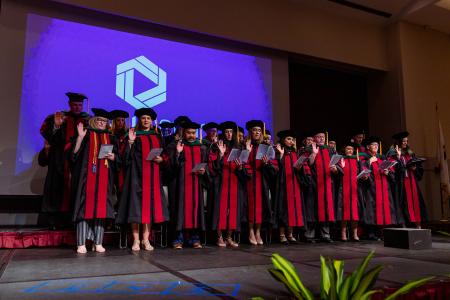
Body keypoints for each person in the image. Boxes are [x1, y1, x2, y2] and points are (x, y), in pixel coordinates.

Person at [117, 108, 169, 251]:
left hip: (152, 177)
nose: (146, 120)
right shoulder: (133, 134)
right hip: (135, 176)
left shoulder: (157, 136)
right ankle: (136, 240)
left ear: (152, 121)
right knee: (136, 208)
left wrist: (161, 160)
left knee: (149, 209)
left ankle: (146, 239)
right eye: (143, 118)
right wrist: (130, 143)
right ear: (139, 120)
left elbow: (165, 155)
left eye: (148, 118)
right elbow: (124, 157)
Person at [70, 108, 118, 253]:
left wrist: (113, 157)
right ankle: (81, 243)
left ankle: (98, 242)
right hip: (86, 180)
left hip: (104, 181)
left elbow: (119, 159)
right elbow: (73, 155)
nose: (102, 123)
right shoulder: (86, 134)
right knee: (83, 210)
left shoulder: (111, 138)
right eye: (99, 120)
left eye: (104, 121)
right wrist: (79, 138)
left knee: (101, 210)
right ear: (94, 121)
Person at [39, 92, 90, 228]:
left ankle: (74, 221)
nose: (77, 107)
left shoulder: (87, 120)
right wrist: (56, 126)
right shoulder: (60, 118)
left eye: (79, 105)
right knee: (57, 189)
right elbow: (47, 135)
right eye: (74, 105)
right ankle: (54, 222)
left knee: (76, 189)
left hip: (79, 161)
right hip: (60, 160)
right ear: (69, 105)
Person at [167, 121, 209, 249]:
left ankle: (195, 239)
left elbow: (207, 165)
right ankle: (178, 239)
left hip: (196, 184)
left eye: (193, 133)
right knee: (180, 211)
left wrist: (204, 171)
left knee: (196, 211)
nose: (191, 135)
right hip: (181, 185)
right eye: (189, 133)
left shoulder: (202, 147)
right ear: (183, 133)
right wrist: (178, 153)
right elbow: (170, 167)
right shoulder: (176, 146)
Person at [210, 121, 247, 247]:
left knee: (233, 209)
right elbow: (213, 166)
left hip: (235, 181)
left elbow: (243, 167)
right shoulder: (217, 146)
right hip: (221, 182)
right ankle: (219, 236)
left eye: (231, 131)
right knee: (220, 209)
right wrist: (220, 155)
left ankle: (229, 237)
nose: (229, 134)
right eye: (226, 132)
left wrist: (241, 167)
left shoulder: (239, 148)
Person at [245, 120, 278, 245]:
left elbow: (274, 167)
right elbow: (243, 163)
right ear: (250, 132)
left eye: (259, 130)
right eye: (254, 130)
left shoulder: (266, 147)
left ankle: (258, 231)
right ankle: (250, 231)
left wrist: (267, 163)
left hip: (262, 181)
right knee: (250, 207)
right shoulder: (245, 146)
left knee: (260, 207)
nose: (257, 132)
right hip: (248, 181)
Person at [361, 136, 399, 240]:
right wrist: (369, 162)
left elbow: (391, 171)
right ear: (368, 147)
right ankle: (371, 233)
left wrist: (388, 172)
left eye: (377, 145)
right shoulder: (364, 158)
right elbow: (363, 171)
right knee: (372, 209)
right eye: (373, 145)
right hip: (371, 187)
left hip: (384, 187)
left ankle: (383, 232)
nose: (376, 146)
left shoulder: (382, 158)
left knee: (385, 208)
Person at [304, 128, 338, 243]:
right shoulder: (308, 149)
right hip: (313, 183)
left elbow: (336, 165)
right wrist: (314, 153)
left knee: (326, 208)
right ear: (314, 138)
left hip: (327, 183)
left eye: (323, 137)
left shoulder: (330, 149)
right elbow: (308, 164)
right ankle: (310, 235)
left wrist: (335, 169)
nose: (321, 138)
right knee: (312, 208)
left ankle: (325, 234)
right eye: (319, 137)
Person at [389, 131, 427, 228]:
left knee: (415, 201)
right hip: (401, 182)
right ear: (399, 142)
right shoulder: (392, 153)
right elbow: (392, 169)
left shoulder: (410, 153)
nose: (406, 143)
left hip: (411, 180)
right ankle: (403, 225)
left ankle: (418, 224)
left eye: (406, 141)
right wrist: (398, 157)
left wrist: (415, 169)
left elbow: (418, 167)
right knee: (402, 202)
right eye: (404, 141)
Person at [275, 130, 305, 245]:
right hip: (283, 184)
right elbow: (276, 168)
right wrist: (281, 155)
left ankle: (290, 234)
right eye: (288, 139)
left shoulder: (295, 153)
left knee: (293, 208)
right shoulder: (278, 151)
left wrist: (300, 167)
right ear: (283, 140)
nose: (291, 141)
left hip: (294, 183)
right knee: (283, 208)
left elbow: (298, 169)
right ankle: (282, 235)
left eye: (292, 139)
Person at [335, 142, 368, 241]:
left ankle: (354, 233)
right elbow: (337, 174)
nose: (349, 150)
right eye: (347, 149)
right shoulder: (341, 159)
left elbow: (362, 171)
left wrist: (365, 176)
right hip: (343, 188)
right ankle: (343, 233)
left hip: (355, 189)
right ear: (344, 150)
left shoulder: (357, 160)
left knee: (355, 211)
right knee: (344, 211)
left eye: (351, 149)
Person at [109, 110, 129, 203]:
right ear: (114, 122)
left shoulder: (128, 135)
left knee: (122, 188)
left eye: (122, 120)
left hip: (123, 166)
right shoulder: (109, 135)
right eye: (118, 120)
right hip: (112, 165)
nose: (120, 123)